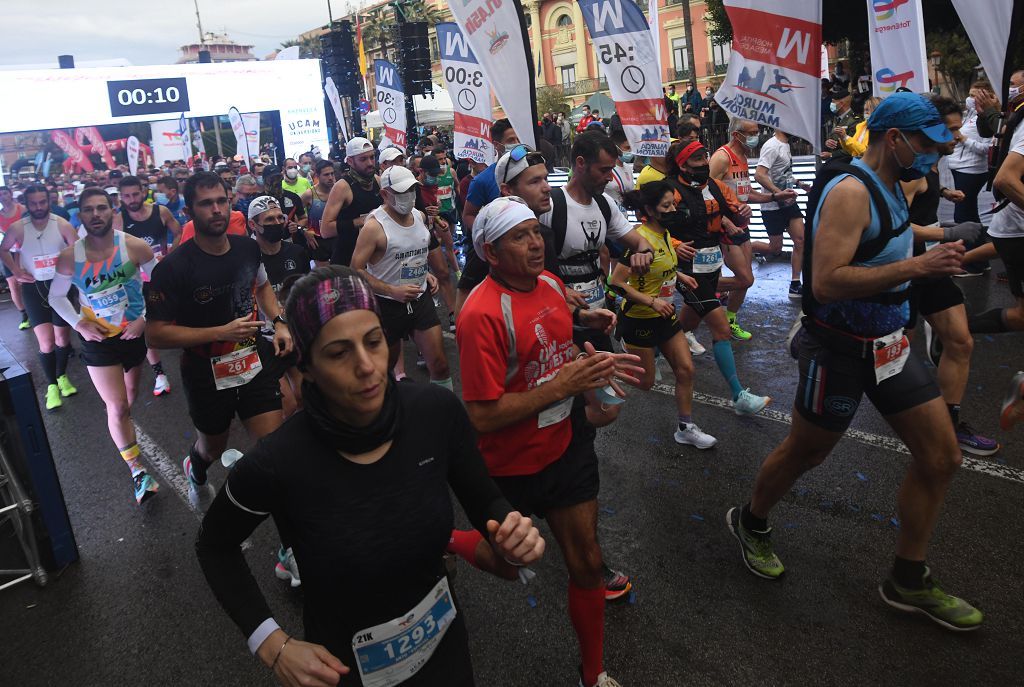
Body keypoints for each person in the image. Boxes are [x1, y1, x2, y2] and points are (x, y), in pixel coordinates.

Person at [195, 265, 544, 687]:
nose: (367, 366)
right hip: (344, 667)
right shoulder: (279, 460)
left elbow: (485, 501)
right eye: (339, 353)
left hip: (443, 649)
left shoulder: (434, 413)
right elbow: (215, 545)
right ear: (307, 366)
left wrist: (511, 535)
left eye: (374, 342)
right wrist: (270, 643)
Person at [728, 92, 983, 632]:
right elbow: (827, 280)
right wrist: (921, 265)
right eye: (930, 145)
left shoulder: (894, 185)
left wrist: (939, 235)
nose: (936, 157)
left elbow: (888, 235)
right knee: (806, 452)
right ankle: (750, 521)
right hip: (838, 349)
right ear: (896, 139)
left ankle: (907, 580)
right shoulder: (848, 191)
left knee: (941, 457)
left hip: (889, 346)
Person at [458, 196, 643, 687]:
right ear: (491, 253)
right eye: (519, 237)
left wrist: (589, 324)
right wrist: (561, 387)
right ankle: (448, 537)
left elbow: (553, 329)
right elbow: (479, 416)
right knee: (506, 560)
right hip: (509, 465)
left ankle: (593, 673)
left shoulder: (551, 283)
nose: (535, 243)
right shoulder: (479, 315)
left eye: (535, 232)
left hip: (566, 447)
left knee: (586, 562)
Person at [145, 172, 293, 512]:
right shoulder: (172, 268)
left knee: (274, 451)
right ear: (189, 211)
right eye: (206, 203)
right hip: (204, 370)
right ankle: (195, 468)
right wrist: (219, 332)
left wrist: (280, 322)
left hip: (252, 359)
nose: (216, 210)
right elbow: (155, 333)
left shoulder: (247, 248)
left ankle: (289, 551)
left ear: (231, 203)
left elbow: (261, 287)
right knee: (212, 448)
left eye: (221, 201)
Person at [47, 187, 160, 505]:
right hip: (99, 341)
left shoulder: (135, 247)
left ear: (113, 211)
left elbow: (161, 285)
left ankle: (125, 433)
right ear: (80, 216)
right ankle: (138, 471)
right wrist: (78, 323)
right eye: (88, 210)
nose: (95, 214)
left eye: (101, 208)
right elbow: (56, 297)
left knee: (131, 397)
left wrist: (144, 319)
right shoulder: (70, 257)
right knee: (119, 406)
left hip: (132, 335)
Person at [902, 95, 998, 456]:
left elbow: (924, 193)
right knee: (895, 354)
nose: (957, 137)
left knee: (960, 341)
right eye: (951, 129)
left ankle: (948, 422)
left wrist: (943, 191)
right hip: (902, 270)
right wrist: (948, 234)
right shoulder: (910, 172)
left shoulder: (931, 165)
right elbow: (894, 226)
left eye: (959, 129)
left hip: (931, 267)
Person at [663, 142, 772, 415]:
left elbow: (734, 207)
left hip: (711, 265)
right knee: (720, 328)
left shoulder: (715, 186)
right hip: (687, 269)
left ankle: (644, 353)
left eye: (705, 157)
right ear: (683, 164)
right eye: (697, 159)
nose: (704, 163)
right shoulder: (670, 190)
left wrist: (741, 212)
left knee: (681, 327)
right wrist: (675, 245)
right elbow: (654, 226)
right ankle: (739, 397)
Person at [610, 182, 715, 448]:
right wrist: (652, 301)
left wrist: (678, 274)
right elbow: (616, 282)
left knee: (686, 369)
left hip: (665, 317)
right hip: (639, 319)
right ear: (649, 210)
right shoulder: (639, 240)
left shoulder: (666, 234)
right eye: (666, 206)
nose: (673, 210)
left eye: (674, 204)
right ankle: (605, 365)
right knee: (645, 382)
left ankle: (685, 427)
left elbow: (661, 266)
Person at [350, 165, 454, 391]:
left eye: (411, 190)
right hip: (387, 306)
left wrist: (424, 273)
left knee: (440, 364)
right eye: (401, 192)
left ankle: (447, 416)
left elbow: (413, 252)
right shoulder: (374, 227)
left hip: (420, 300)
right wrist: (391, 290)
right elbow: (355, 270)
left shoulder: (419, 216)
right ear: (385, 194)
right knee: (383, 373)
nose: (408, 196)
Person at [710, 118, 797, 340]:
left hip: (742, 225)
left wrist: (775, 196)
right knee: (746, 278)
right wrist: (724, 221)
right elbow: (704, 192)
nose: (755, 136)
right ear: (736, 134)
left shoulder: (744, 157)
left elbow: (745, 193)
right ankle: (700, 287)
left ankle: (729, 320)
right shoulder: (721, 158)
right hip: (724, 228)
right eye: (751, 132)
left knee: (745, 278)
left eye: (757, 131)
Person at [0, 185, 80, 410]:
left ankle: (62, 376)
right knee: (46, 342)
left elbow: (79, 250)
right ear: (27, 204)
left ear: (48, 201)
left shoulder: (61, 224)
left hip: (60, 288)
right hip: (33, 289)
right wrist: (15, 271)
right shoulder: (18, 228)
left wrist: (72, 270)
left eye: (42, 202)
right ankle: (52, 386)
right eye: (33, 203)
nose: (38, 207)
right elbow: (3, 249)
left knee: (63, 340)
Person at [967, 70, 1024, 334]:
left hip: (1012, 229)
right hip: (1016, 225)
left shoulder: (1013, 115)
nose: (1010, 89)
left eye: (1013, 85)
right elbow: (1006, 180)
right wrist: (989, 113)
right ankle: (954, 332)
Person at [113, 175, 181, 397]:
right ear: (121, 198)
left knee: (180, 317)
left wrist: (171, 255)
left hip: (164, 276)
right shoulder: (119, 220)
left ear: (143, 192)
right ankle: (160, 375)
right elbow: (114, 253)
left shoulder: (160, 212)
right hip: (138, 282)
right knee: (148, 327)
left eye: (135, 194)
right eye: (127, 196)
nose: (132, 199)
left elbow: (178, 231)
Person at [249, 195, 311, 419]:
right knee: (287, 405)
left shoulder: (296, 253)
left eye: (279, 218)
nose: (276, 224)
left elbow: (306, 291)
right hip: (262, 340)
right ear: (253, 225)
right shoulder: (247, 259)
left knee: (305, 395)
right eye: (269, 220)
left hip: (294, 333)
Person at [751, 129, 808, 299]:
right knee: (775, 248)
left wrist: (799, 183)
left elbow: (783, 173)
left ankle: (795, 284)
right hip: (772, 205)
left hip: (788, 203)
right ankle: (742, 248)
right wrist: (778, 193)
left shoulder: (786, 144)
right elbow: (759, 175)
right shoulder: (772, 145)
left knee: (801, 240)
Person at [321, 138, 382, 267]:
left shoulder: (378, 180)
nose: (370, 163)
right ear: (350, 161)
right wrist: (360, 221)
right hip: (347, 258)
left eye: (372, 157)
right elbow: (325, 230)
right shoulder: (342, 187)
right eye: (363, 159)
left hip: (374, 258)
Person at [948, 83, 995, 227]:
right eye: (969, 95)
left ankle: (972, 244)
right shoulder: (970, 114)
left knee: (963, 213)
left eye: (974, 95)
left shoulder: (988, 119)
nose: (970, 98)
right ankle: (973, 242)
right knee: (966, 210)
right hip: (959, 167)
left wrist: (963, 139)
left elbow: (988, 148)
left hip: (972, 170)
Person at [0, 185, 30, 331]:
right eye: (0, 194)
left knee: (26, 283)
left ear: (11, 194)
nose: (3, 196)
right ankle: (24, 315)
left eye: (5, 193)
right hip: (8, 252)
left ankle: (35, 310)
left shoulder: (22, 209)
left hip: (25, 251)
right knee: (13, 285)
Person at [300, 159, 337, 266]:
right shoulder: (309, 194)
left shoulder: (339, 191)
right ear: (317, 175)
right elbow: (295, 217)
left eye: (332, 174)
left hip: (337, 238)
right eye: (326, 175)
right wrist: (305, 231)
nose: (330, 177)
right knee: (325, 276)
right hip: (318, 240)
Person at [604, 129, 635, 211]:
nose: (630, 151)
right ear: (616, 148)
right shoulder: (606, 168)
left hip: (624, 216)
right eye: (627, 148)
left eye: (631, 148)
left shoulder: (628, 168)